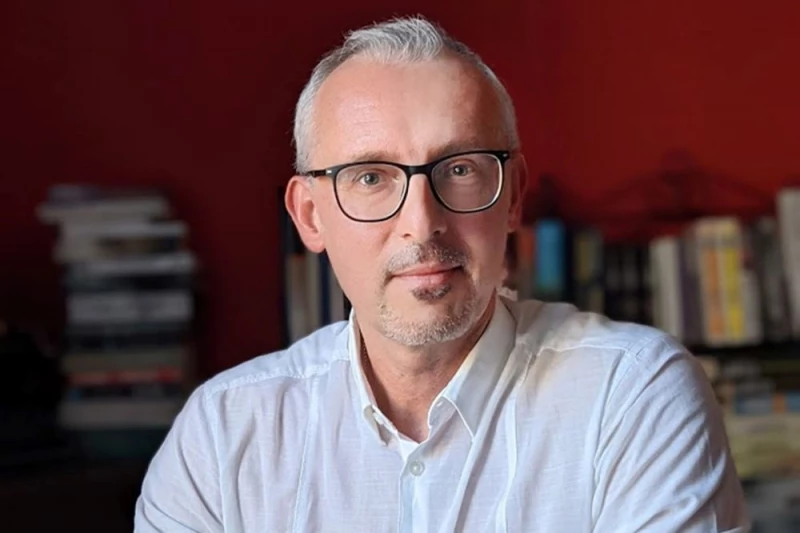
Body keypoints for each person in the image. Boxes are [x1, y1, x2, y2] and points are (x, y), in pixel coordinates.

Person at [134, 16, 750, 532]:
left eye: (459, 169)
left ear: (513, 196)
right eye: (371, 177)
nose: (421, 224)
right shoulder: (222, 435)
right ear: (310, 216)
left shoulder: (634, 394)